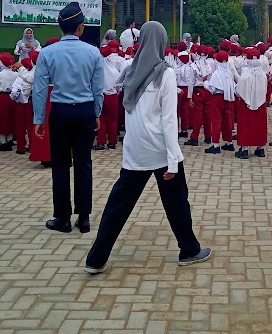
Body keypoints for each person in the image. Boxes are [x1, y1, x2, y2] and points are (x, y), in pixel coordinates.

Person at [84, 21, 211, 273]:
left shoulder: (131, 69)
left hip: (135, 147)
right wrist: (174, 159)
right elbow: (168, 119)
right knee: (176, 201)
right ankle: (189, 249)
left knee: (118, 204)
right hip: (160, 149)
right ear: (162, 42)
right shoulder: (165, 73)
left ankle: (96, 258)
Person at [33, 2, 104, 234]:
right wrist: (97, 113)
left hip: (60, 112)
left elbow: (40, 89)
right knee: (84, 164)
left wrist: (38, 119)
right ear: (81, 27)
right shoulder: (93, 52)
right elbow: (98, 89)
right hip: (84, 110)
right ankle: (83, 219)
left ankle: (62, 218)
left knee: (61, 166)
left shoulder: (46, 52)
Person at [235, 48, 268, 159]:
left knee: (245, 124)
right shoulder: (262, 74)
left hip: (246, 104)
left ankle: (244, 149)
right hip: (260, 104)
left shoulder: (245, 74)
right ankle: (260, 148)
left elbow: (239, 90)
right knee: (260, 125)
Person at [204, 50, 236, 154]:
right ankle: (229, 142)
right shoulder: (229, 72)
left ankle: (216, 144)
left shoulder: (217, 73)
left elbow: (212, 88)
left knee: (216, 120)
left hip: (218, 98)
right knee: (228, 120)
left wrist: (205, 82)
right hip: (228, 98)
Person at [95, 46, 122, 150]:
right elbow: (119, 86)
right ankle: (112, 142)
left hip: (100, 96)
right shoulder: (115, 72)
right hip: (112, 97)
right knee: (113, 120)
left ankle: (101, 143)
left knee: (101, 119)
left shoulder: (98, 71)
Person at [11, 55, 36, 155]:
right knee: (30, 127)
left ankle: (21, 147)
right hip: (30, 104)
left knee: (20, 127)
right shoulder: (33, 75)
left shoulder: (20, 77)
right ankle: (32, 146)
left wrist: (16, 97)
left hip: (21, 104)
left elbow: (14, 92)